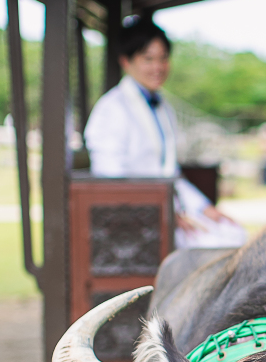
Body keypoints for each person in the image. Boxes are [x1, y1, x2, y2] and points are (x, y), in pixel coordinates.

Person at [84, 18, 245, 249]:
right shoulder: (111, 109)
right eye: (148, 59)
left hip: (171, 213)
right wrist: (164, 215)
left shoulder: (163, 106)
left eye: (163, 58)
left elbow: (170, 174)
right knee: (221, 246)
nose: (157, 67)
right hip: (136, 224)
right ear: (126, 62)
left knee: (234, 233)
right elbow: (112, 181)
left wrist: (205, 208)